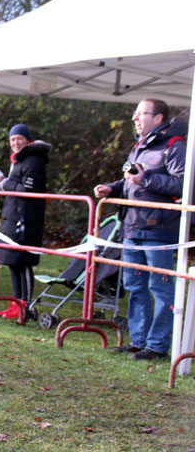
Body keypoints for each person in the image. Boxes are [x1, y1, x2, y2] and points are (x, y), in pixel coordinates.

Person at [95, 98, 186, 361]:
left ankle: (157, 347)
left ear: (158, 119)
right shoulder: (138, 146)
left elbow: (181, 185)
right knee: (135, 286)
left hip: (159, 230)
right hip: (132, 227)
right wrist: (111, 188)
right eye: (134, 114)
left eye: (141, 114)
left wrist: (144, 178)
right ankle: (138, 342)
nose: (135, 118)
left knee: (160, 288)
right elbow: (129, 180)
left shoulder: (173, 145)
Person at [0, 124, 50, 319]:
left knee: (23, 262)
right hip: (13, 216)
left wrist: (4, 182)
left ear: (28, 140)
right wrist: (0, 182)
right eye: (13, 140)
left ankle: (26, 306)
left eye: (19, 139)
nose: (15, 143)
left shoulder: (34, 161)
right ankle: (15, 303)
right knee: (12, 262)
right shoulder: (19, 160)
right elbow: (13, 186)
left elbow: (28, 191)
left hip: (27, 219)